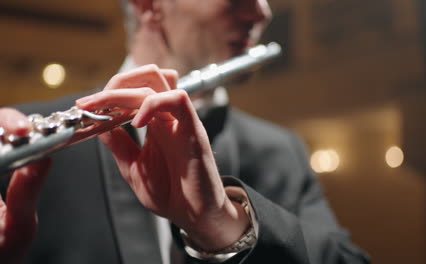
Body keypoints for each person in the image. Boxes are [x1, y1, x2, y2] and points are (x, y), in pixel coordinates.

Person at [0, 0, 370, 263]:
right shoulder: (27, 138)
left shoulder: (281, 150)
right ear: (149, 5)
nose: (263, 10)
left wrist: (224, 223)